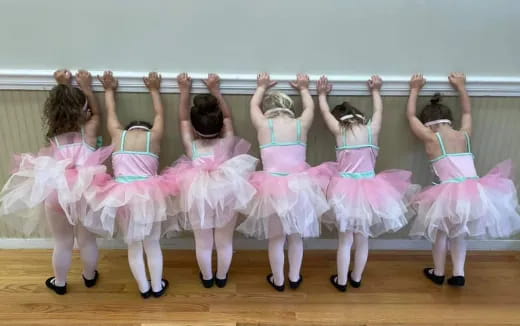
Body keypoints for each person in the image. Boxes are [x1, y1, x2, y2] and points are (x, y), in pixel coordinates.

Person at [406, 72, 520, 287]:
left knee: (441, 233)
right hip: (474, 191)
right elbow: (467, 111)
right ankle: (458, 273)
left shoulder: (431, 137)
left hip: (447, 194)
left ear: (428, 124)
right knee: (459, 234)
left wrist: (414, 89)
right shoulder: (464, 135)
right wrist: (461, 86)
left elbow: (411, 117)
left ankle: (438, 272)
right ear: (450, 120)